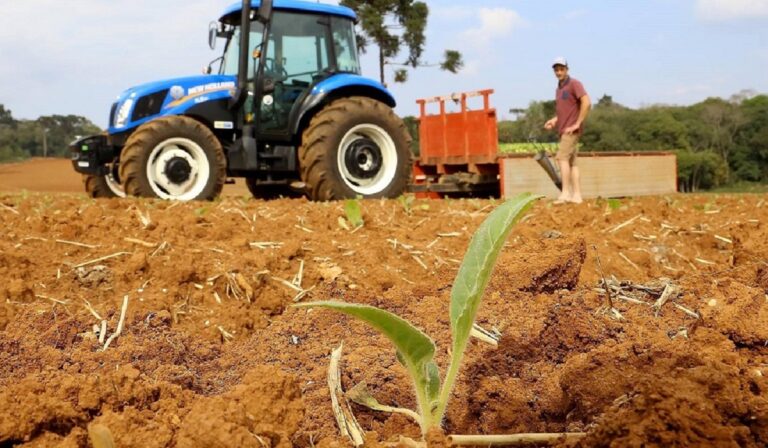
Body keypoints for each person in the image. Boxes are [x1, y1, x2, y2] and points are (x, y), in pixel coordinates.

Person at [544, 57, 591, 204]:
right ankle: (577, 196)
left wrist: (578, 123)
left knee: (561, 158)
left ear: (567, 69)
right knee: (572, 163)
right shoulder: (559, 88)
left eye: (561, 69)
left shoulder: (574, 84)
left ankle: (565, 193)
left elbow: (586, 102)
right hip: (563, 128)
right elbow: (565, 110)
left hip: (570, 130)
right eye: (556, 70)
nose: (559, 72)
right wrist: (554, 120)